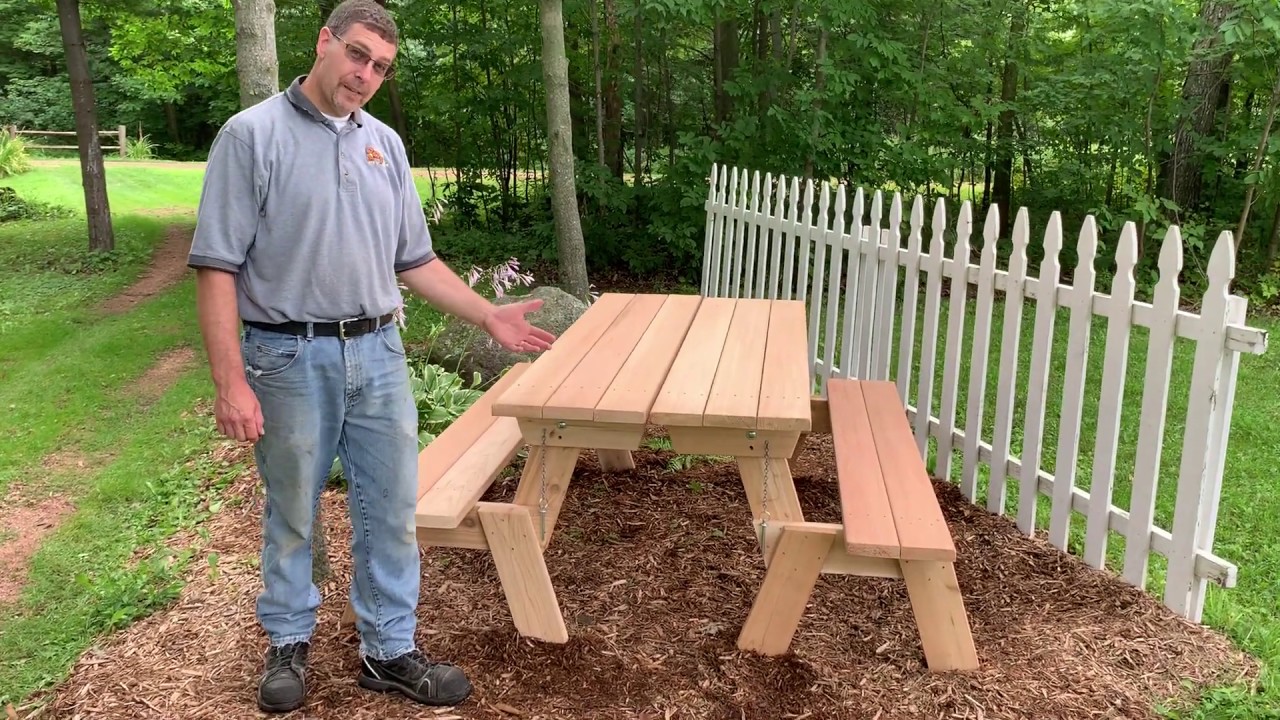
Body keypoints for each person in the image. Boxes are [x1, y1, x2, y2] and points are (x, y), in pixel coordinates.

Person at [187, 0, 555, 712]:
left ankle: (388, 651)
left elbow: (414, 260)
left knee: (389, 508)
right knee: (293, 508)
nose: (365, 74)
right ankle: (288, 643)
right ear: (324, 42)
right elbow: (216, 269)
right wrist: (230, 382)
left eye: (381, 66)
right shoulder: (250, 135)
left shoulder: (383, 143)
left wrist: (488, 314)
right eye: (356, 54)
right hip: (288, 357)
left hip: (379, 352)